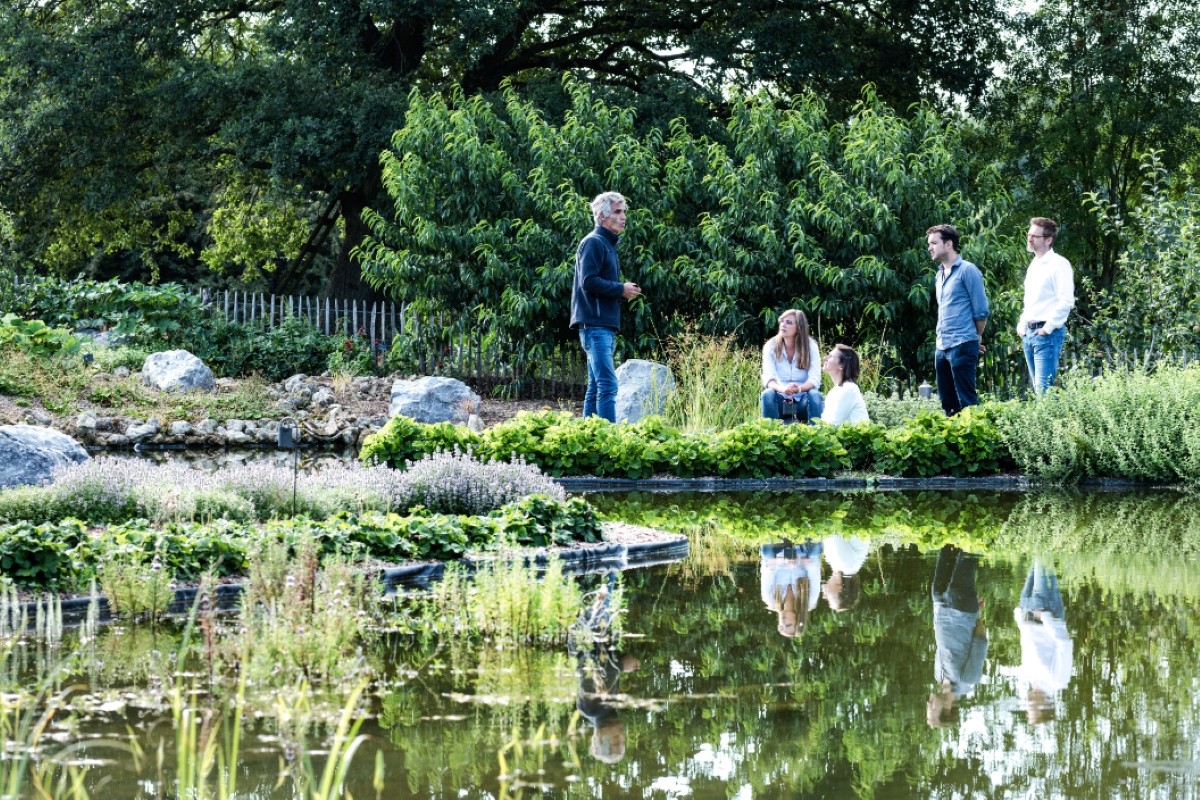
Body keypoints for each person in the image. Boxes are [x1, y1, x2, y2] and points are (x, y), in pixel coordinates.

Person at [570, 192, 641, 422]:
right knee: (608, 385)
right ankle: (609, 438)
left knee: (595, 387)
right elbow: (588, 281)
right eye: (618, 212)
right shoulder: (593, 242)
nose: (623, 217)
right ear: (602, 216)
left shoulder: (606, 244)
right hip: (595, 325)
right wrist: (620, 289)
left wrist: (622, 290)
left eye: (624, 212)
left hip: (602, 325)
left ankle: (589, 435)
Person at [927, 224, 989, 416]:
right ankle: (954, 435)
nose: (930, 248)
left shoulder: (968, 270)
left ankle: (976, 433)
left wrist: (975, 338)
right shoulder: (939, 274)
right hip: (942, 345)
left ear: (948, 244)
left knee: (967, 402)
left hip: (962, 343)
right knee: (948, 403)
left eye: (934, 243)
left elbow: (981, 310)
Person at [927, 544, 988, 728]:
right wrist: (974, 613)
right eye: (932, 709)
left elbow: (942, 641)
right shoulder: (968, 679)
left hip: (940, 605)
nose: (928, 704)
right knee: (968, 552)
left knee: (946, 549)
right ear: (947, 708)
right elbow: (980, 640)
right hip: (961, 607)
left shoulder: (938, 675)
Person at [1016, 217, 1075, 394]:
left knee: (1044, 391)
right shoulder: (1034, 264)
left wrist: (1047, 329)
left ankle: (1057, 415)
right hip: (1029, 333)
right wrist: (1022, 324)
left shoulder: (1059, 264)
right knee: (1039, 390)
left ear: (1048, 240)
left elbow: (1066, 301)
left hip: (1047, 334)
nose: (1030, 239)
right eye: (1029, 235)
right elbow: (1031, 301)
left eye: (1035, 236)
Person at [1014, 559, 1073, 724]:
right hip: (1045, 609)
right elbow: (1064, 644)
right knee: (1042, 553)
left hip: (1026, 609)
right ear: (1045, 707)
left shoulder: (1029, 677)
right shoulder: (1058, 681)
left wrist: (1019, 618)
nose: (1028, 706)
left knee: (1036, 555)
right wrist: (1045, 617)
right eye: (1032, 710)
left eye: (1028, 711)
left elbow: (1027, 644)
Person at [761, 309, 823, 423]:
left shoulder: (811, 346)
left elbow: (815, 380)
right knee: (767, 394)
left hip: (802, 403)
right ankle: (770, 432)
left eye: (789, 322)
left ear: (799, 327)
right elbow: (769, 379)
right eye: (782, 321)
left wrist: (799, 389)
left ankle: (817, 430)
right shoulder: (771, 346)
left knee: (815, 395)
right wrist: (783, 389)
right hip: (782, 402)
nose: (783, 325)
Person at [760, 540, 822, 638]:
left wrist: (783, 560)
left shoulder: (769, 599)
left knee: (767, 552)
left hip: (779, 550)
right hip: (802, 549)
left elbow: (767, 566)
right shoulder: (810, 600)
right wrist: (799, 561)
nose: (782, 622)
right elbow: (814, 566)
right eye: (788, 625)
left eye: (781, 626)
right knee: (815, 552)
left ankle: (779, 537)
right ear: (798, 619)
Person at [819, 344, 870, 425]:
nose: (825, 358)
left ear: (842, 365)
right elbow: (826, 423)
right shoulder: (835, 391)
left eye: (830, 357)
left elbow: (833, 424)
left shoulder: (848, 389)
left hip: (857, 433)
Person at [822, 534, 870, 611]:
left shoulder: (841, 568)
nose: (824, 597)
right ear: (840, 589)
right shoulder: (846, 565)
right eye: (829, 600)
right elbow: (832, 532)